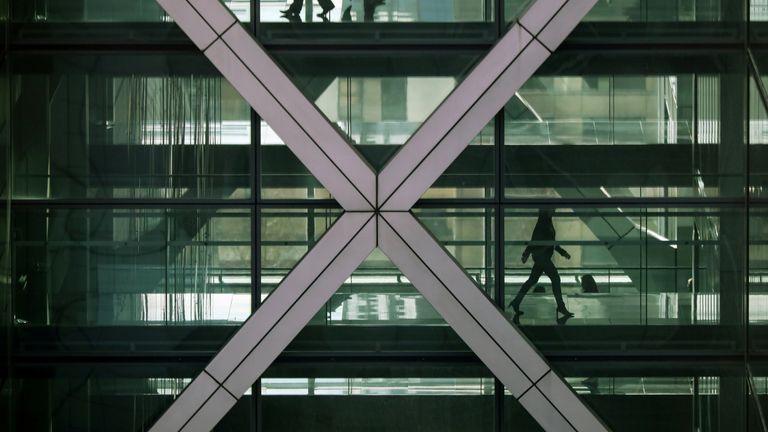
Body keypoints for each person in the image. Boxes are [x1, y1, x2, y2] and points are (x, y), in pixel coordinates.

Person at [509, 208, 574, 317]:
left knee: (532, 280)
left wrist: (563, 252)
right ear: (546, 211)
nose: (554, 210)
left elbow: (551, 242)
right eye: (552, 209)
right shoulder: (542, 225)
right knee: (555, 278)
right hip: (541, 257)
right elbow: (533, 241)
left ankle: (516, 301)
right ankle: (561, 306)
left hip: (541, 257)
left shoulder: (547, 223)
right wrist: (525, 254)